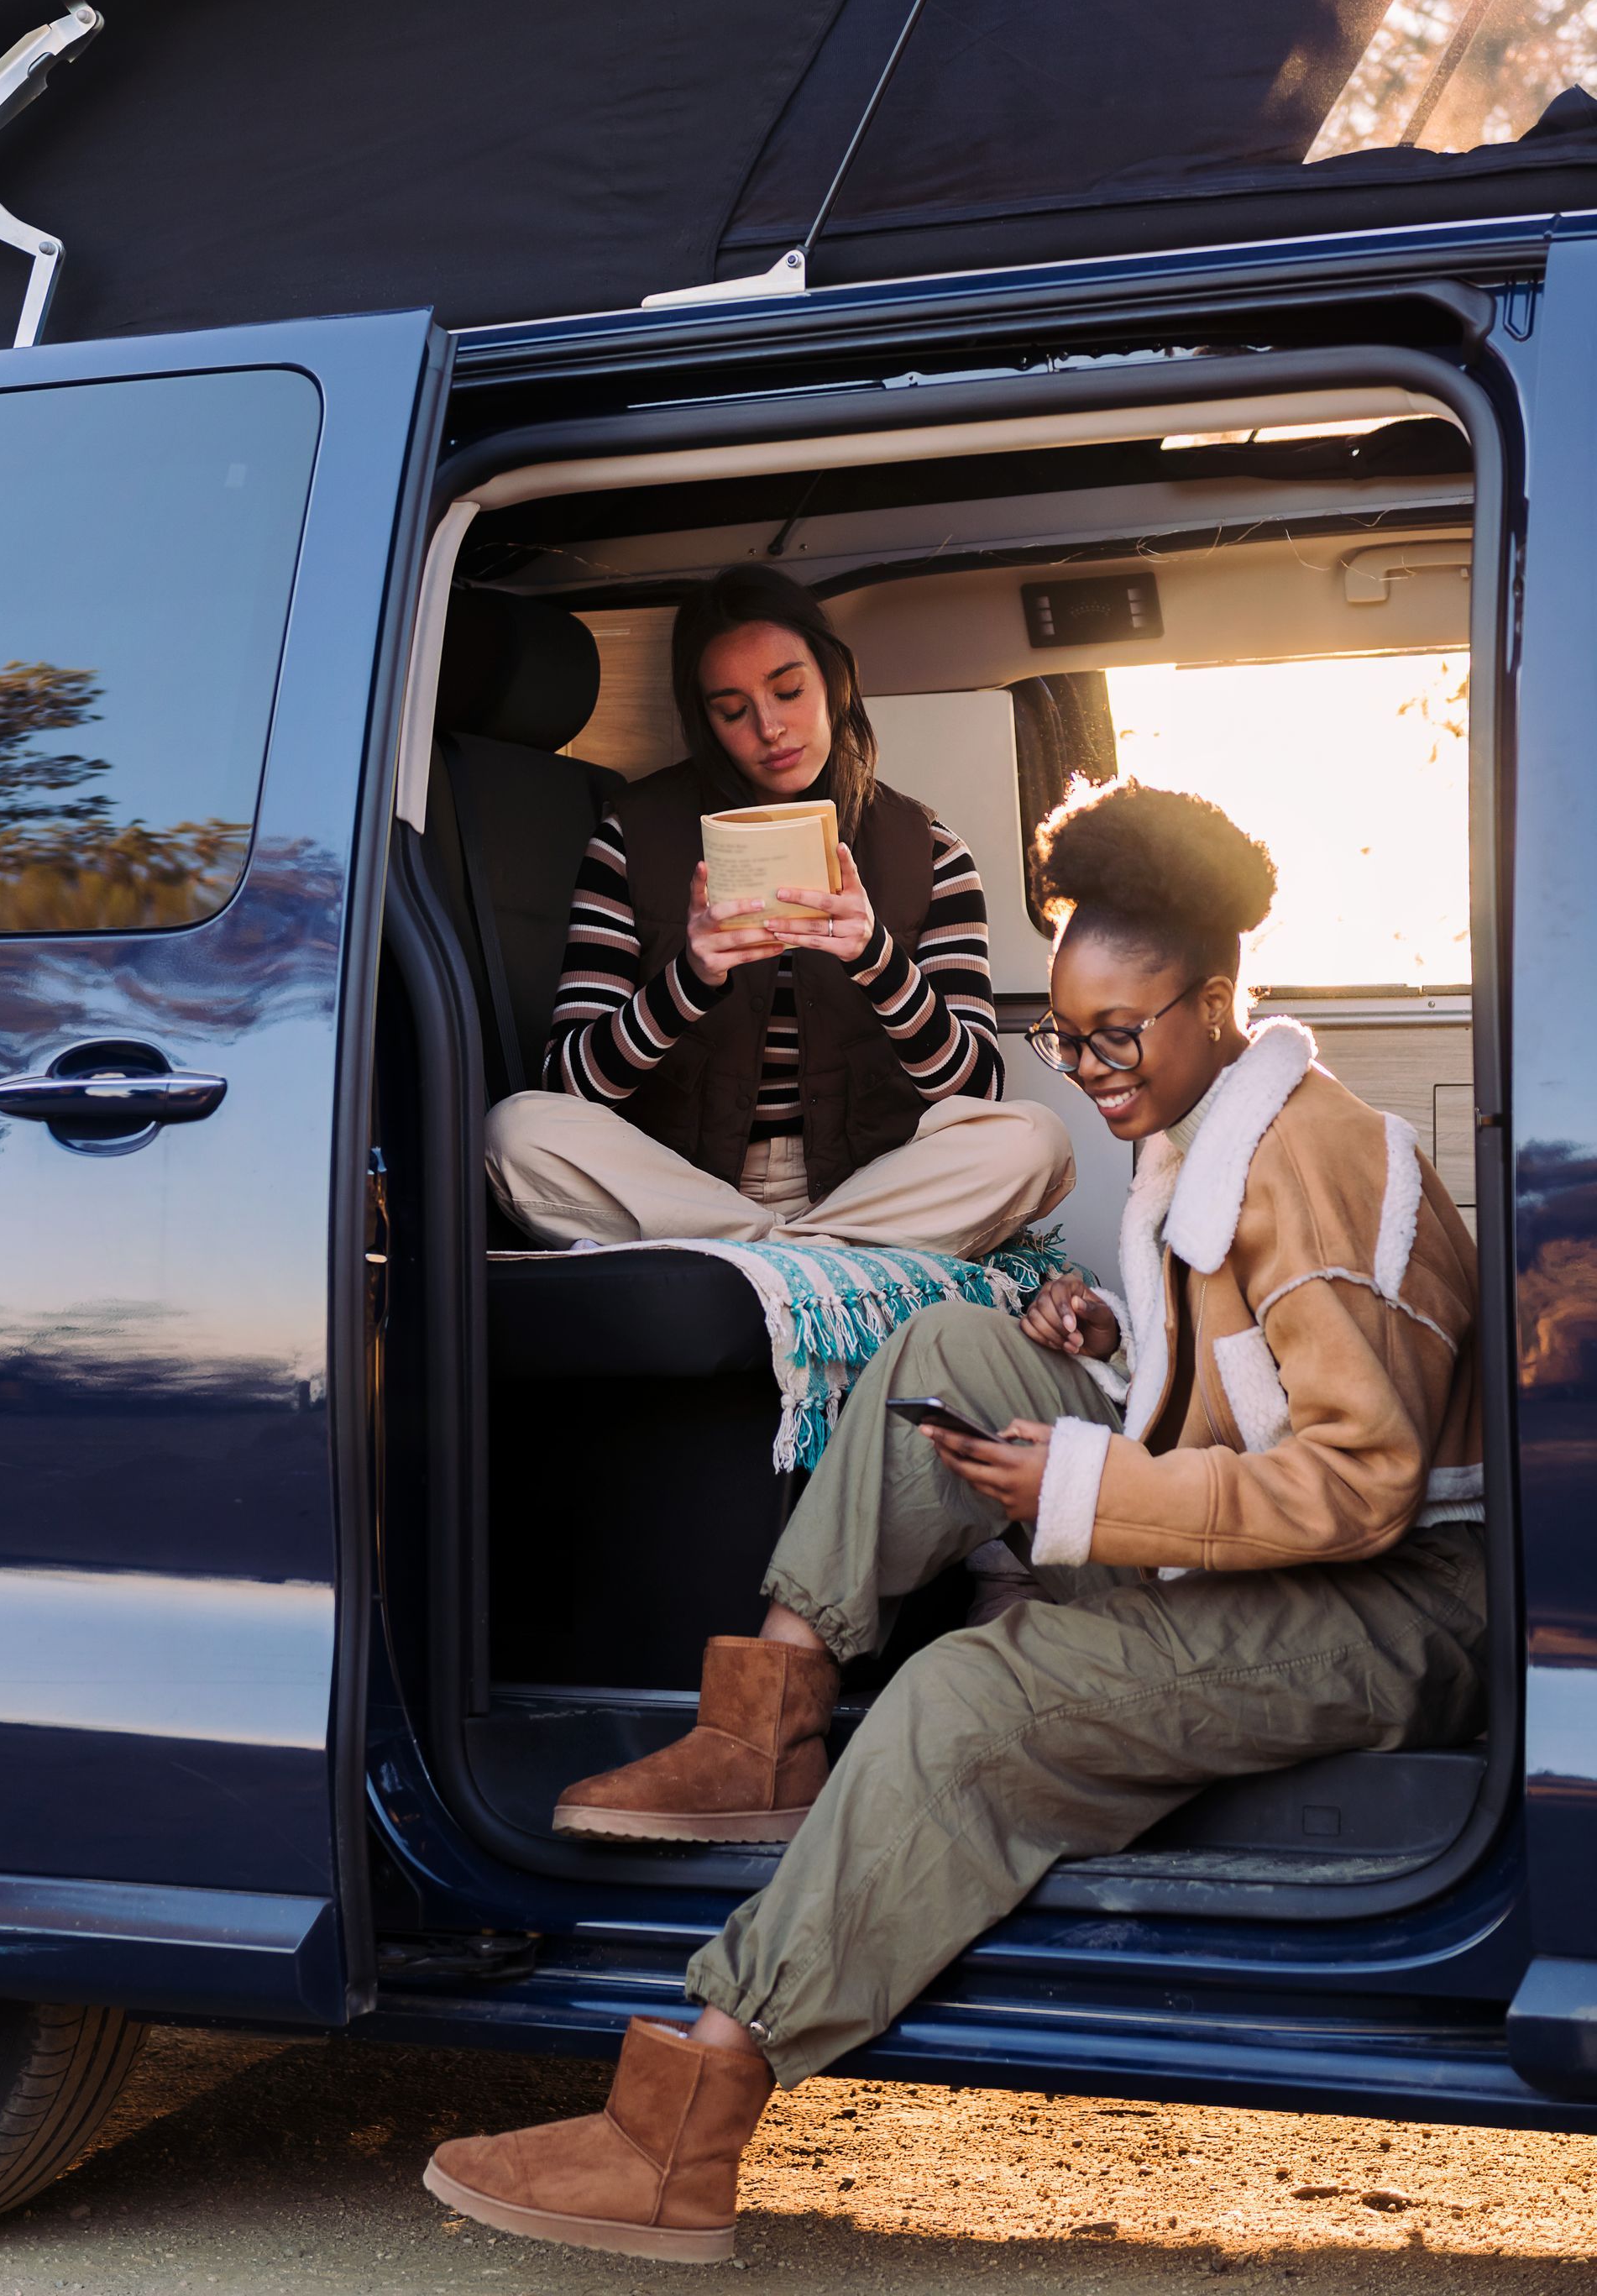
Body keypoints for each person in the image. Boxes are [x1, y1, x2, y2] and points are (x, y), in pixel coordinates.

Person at [426, 781, 1484, 2262]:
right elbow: (1245, 1386)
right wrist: (1113, 1340)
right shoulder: (1214, 1124)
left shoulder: (1308, 1159)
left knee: (964, 1690)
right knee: (951, 1356)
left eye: (1118, 1034)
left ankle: (684, 2125)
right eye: (1066, 1034)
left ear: (1219, 997)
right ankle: (767, 1726)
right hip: (1292, 1558)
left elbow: (1362, 1485)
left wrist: (1080, 1487)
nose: (1091, 1069)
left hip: (1391, 1614)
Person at [484, 564, 1073, 1256]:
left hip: (869, 1188)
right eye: (732, 710)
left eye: (789, 691)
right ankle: (817, 1260)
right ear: (705, 720)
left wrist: (875, 958)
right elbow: (567, 1085)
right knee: (516, 1131)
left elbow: (977, 1085)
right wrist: (687, 983)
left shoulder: (932, 851)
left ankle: (758, 1257)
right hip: (679, 1187)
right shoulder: (629, 837)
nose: (770, 727)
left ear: (833, 681)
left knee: (1036, 1141)